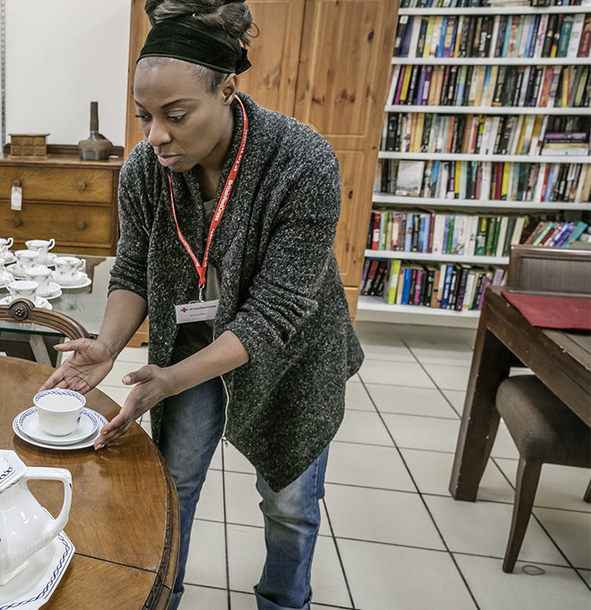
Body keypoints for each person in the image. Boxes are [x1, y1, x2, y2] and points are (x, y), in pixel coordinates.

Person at [38, 1, 363, 609]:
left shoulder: (302, 161)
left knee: (289, 504)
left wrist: (170, 379)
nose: (156, 135)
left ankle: (283, 603)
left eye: (176, 115)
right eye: (144, 116)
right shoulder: (144, 169)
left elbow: (276, 310)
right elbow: (134, 266)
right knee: (174, 486)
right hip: (188, 347)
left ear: (227, 90)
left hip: (291, 357)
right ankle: (163, 598)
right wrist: (107, 346)